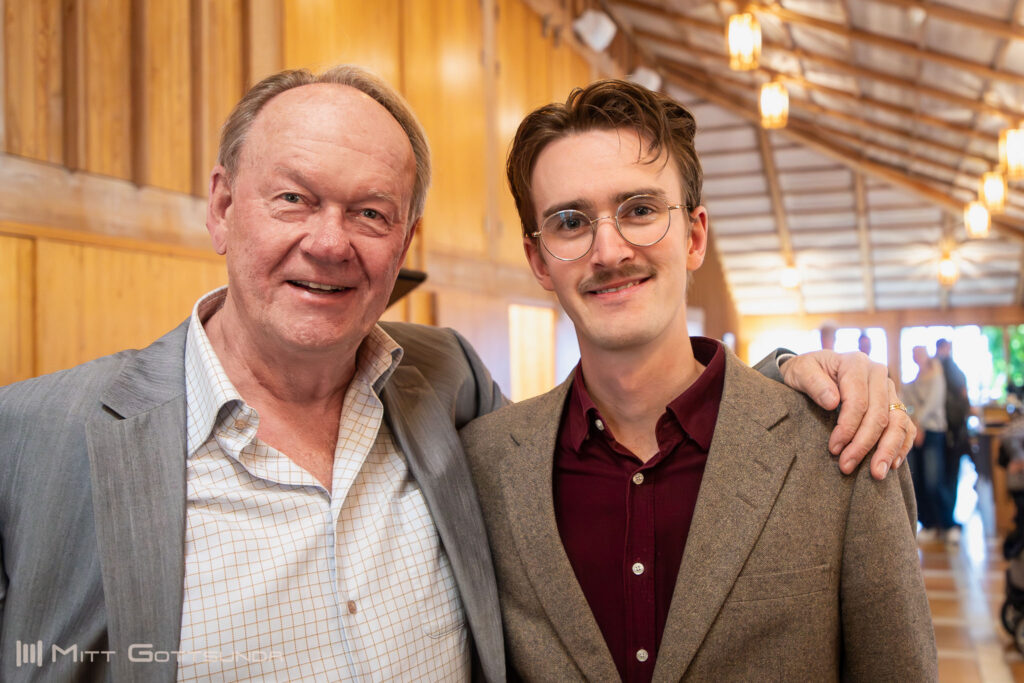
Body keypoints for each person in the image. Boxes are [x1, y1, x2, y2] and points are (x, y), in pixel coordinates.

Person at [0, 66, 908, 681]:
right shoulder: (37, 435)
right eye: (293, 198)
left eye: (370, 212)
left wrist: (797, 377)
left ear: (403, 242)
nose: (329, 241)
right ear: (223, 206)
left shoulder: (445, 389)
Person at [460, 79, 934, 681]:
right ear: (538, 260)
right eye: (571, 221)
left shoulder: (840, 442)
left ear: (695, 236)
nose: (609, 251)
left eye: (639, 210)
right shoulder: (485, 467)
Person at [903, 345, 953, 543]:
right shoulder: (914, 380)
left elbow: (933, 403)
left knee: (934, 480)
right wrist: (912, 421)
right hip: (917, 433)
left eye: (920, 353)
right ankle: (929, 523)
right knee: (920, 480)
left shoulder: (936, 375)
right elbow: (906, 405)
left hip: (932, 432)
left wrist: (918, 422)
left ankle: (948, 524)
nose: (917, 357)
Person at [936, 337, 970, 542]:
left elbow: (963, 397)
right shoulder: (942, 369)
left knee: (947, 477)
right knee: (944, 478)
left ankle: (947, 522)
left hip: (951, 432)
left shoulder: (949, 369)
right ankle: (944, 521)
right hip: (945, 431)